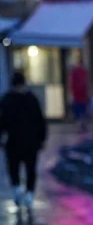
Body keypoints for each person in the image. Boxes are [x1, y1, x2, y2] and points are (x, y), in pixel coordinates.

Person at [0, 72, 48, 208]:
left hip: (13, 141)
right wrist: (42, 138)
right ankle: (29, 193)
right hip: (31, 141)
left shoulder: (6, 100)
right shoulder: (32, 99)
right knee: (31, 168)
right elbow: (40, 121)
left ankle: (16, 188)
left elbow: (1, 121)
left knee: (13, 167)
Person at [68, 54, 89, 132]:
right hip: (81, 96)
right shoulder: (83, 72)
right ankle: (81, 125)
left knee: (79, 112)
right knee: (81, 112)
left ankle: (80, 126)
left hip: (79, 96)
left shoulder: (76, 72)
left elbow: (72, 84)